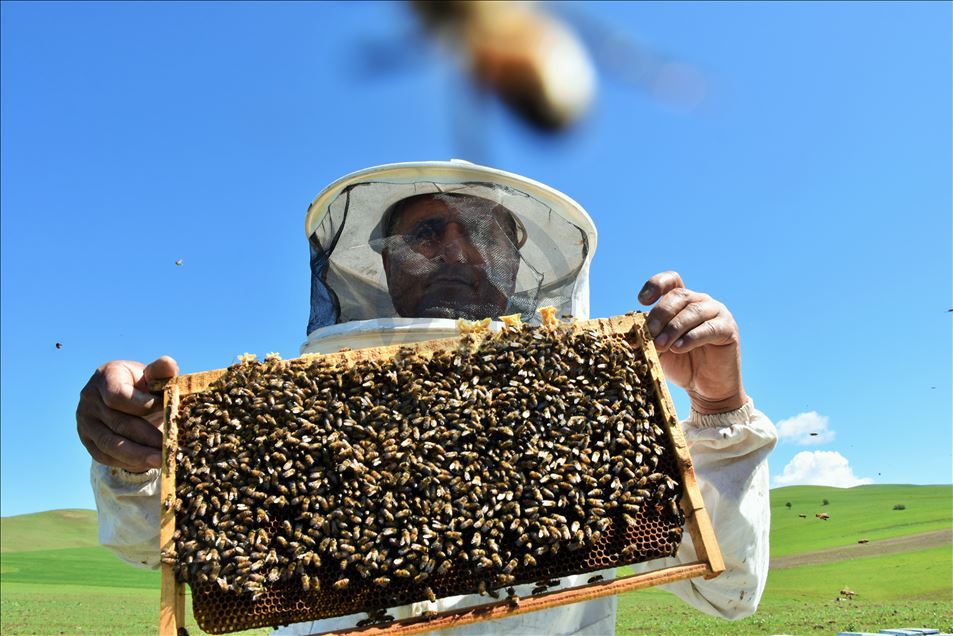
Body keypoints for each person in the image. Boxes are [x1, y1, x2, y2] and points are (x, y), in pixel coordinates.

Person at [78, 160, 777, 635]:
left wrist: (718, 411)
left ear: (513, 264)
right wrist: (133, 453)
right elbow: (156, 540)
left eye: (483, 234)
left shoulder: (590, 404)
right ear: (381, 260)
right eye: (425, 233)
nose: (458, 252)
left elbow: (728, 591)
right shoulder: (299, 409)